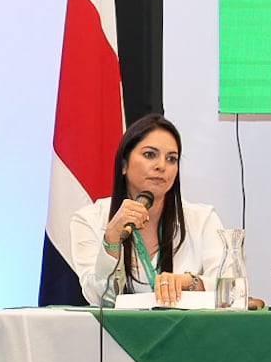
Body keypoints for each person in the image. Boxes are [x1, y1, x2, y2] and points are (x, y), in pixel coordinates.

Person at [69, 113, 226, 306]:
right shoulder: (89, 219)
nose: (161, 166)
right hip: (117, 335)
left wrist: (191, 282)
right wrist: (111, 242)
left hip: (190, 334)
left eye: (171, 159)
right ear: (124, 164)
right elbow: (101, 298)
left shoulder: (203, 219)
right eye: (150, 155)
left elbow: (231, 289)